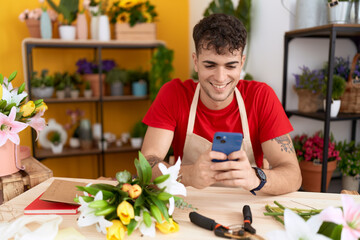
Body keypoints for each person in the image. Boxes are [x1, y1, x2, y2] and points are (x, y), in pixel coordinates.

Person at [141, 13, 301, 195]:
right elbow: (147, 163)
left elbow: (293, 175)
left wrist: (255, 178)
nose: (220, 77)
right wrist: (188, 175)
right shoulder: (173, 94)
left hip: (247, 208)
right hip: (187, 205)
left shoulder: (261, 97)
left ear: (242, 63)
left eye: (231, 66)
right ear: (195, 61)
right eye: (210, 65)